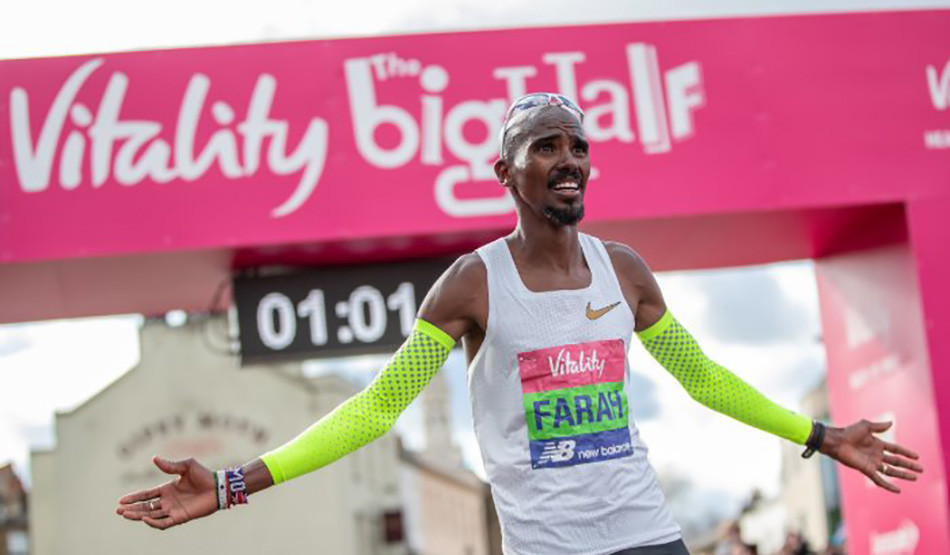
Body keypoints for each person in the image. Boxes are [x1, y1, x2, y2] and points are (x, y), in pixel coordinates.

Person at [116, 93, 924, 555]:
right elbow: (377, 407)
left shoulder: (624, 270)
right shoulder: (472, 283)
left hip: (646, 530)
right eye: (546, 146)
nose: (569, 158)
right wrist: (233, 483)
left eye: (578, 145)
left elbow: (704, 379)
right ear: (505, 171)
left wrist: (821, 435)